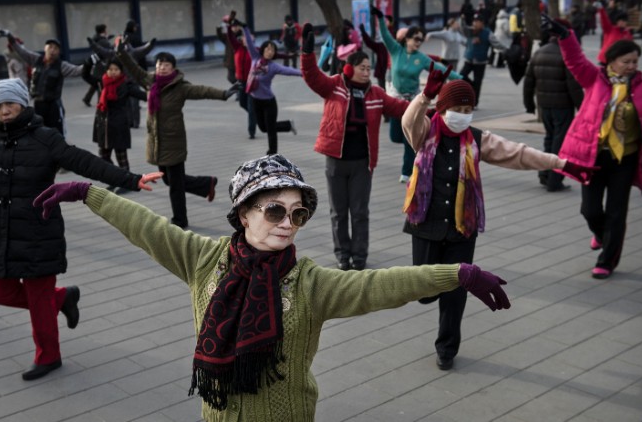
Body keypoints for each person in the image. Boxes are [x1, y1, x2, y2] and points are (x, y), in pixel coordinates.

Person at [33, 153, 511, 420]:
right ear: (244, 214)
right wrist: (88, 193)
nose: (288, 223)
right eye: (275, 210)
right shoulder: (204, 259)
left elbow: (379, 285)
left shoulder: (312, 283)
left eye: (298, 212)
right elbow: (147, 226)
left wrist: (457, 274)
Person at [0, 72, 164, 380]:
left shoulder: (45, 138)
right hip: (0, 232)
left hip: (38, 231)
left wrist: (131, 179)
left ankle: (49, 357)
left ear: (22, 104)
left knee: (38, 300)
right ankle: (62, 298)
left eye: (10, 104)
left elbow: (84, 161)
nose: (4, 111)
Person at [401, 68, 597, 371]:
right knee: (425, 291)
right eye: (457, 109)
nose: (462, 115)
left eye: (468, 110)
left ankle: (447, 348)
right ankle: (431, 294)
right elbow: (408, 121)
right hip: (424, 223)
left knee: (455, 292)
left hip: (462, 228)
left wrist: (561, 163)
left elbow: (518, 153)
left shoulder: (477, 140)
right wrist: (425, 95)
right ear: (442, 109)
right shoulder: (425, 132)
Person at [542, 15, 642, 279]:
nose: (632, 66)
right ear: (612, 62)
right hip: (594, 158)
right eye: (626, 62)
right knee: (590, 210)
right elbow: (574, 60)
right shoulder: (594, 79)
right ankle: (600, 234)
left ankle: (607, 261)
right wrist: (565, 35)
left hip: (626, 159)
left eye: (635, 62)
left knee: (617, 212)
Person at [301, 24, 409, 271]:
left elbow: (402, 108)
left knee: (360, 212)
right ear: (349, 68)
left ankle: (359, 257)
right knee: (338, 213)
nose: (367, 72)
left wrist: (428, 103)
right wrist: (307, 52)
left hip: (363, 163)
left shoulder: (376, 94)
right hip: (336, 161)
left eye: (369, 68)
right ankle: (342, 255)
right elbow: (311, 76)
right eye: (362, 67)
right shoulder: (335, 86)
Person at [116, 47, 239, 229]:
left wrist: (224, 94)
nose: (162, 68)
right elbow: (133, 69)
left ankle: (180, 220)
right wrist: (122, 52)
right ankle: (206, 184)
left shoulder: (179, 87)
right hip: (157, 141)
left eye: (166, 65)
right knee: (168, 179)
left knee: (175, 185)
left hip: (173, 141)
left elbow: (201, 90)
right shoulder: (150, 81)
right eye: (159, 64)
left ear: (173, 68)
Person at [375, 8, 461, 184]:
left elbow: (440, 68)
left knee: (409, 138)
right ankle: (413, 158)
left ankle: (407, 171)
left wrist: (460, 79)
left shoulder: (421, 58)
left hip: (413, 101)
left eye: (421, 40)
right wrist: (380, 18)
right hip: (396, 100)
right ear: (407, 38)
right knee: (396, 136)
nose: (419, 42)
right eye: (416, 38)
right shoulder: (396, 50)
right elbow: (384, 35)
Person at [523, 18, 584, 192]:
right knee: (560, 143)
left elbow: (529, 81)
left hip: (544, 106)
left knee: (549, 139)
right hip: (562, 106)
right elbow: (574, 86)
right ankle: (554, 180)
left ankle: (544, 175)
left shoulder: (539, 52)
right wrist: (582, 108)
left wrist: (529, 105)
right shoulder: (566, 55)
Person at [0, 28, 83, 137]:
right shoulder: (36, 59)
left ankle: (58, 152)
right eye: (50, 47)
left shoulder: (61, 65)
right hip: (38, 104)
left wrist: (91, 62)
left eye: (55, 48)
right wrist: (10, 37)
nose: (52, 50)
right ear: (45, 48)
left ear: (59, 52)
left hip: (53, 105)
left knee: (56, 133)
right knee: (38, 131)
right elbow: (21, 51)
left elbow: (78, 70)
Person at [89, 59, 149, 194]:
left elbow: (143, 95)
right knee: (103, 155)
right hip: (103, 125)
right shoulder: (101, 83)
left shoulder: (126, 85)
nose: (113, 72)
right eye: (110, 69)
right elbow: (86, 75)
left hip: (119, 124)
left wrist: (154, 93)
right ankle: (114, 178)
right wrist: (88, 63)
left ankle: (127, 183)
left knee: (121, 156)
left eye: (116, 69)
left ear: (121, 71)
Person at [243, 26, 300, 155]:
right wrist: (245, 28)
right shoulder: (255, 58)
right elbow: (249, 43)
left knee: (271, 130)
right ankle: (288, 125)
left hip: (269, 102)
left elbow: (290, 71)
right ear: (263, 50)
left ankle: (272, 153)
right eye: (268, 49)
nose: (270, 51)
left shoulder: (273, 67)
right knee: (264, 128)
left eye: (272, 50)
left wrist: (305, 73)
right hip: (255, 100)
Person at [459, 14, 508, 107]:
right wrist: (462, 20)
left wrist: (507, 49)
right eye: (474, 21)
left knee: (478, 82)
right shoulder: (470, 31)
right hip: (469, 59)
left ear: (482, 23)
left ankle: (474, 102)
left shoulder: (487, 33)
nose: (475, 23)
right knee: (460, 76)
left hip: (480, 62)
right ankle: (471, 85)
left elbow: (496, 44)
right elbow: (463, 29)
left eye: (477, 22)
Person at [82, 24, 112, 107]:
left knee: (96, 83)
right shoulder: (104, 41)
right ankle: (101, 102)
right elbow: (107, 51)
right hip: (102, 65)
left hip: (96, 63)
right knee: (100, 84)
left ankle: (87, 98)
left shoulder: (96, 38)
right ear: (104, 30)